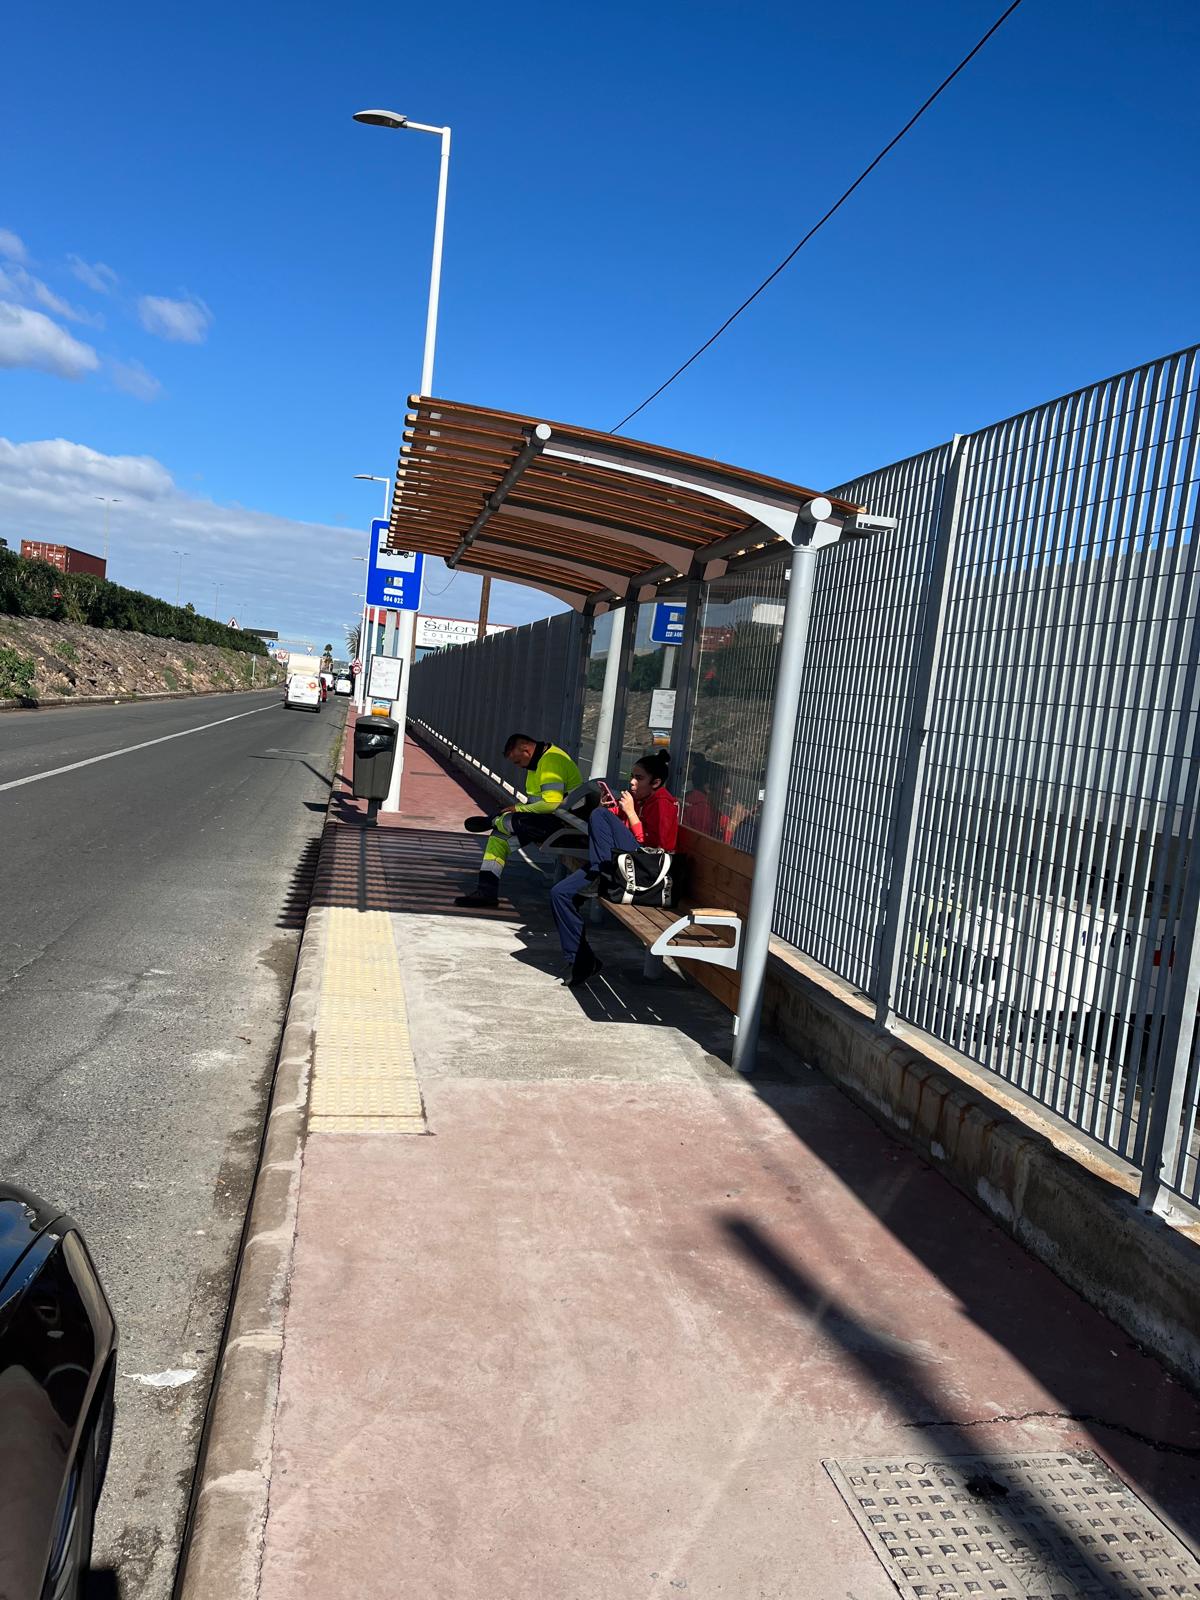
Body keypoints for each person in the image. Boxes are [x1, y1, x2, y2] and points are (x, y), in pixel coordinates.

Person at [550, 750, 678, 987]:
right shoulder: (639, 799)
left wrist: (629, 813)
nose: (632, 782)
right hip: (616, 866)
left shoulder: (663, 805)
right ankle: (581, 960)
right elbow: (614, 829)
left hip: (644, 872)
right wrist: (612, 808)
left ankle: (600, 873)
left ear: (656, 782)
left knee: (599, 815)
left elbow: (658, 849)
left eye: (639, 778)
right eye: (632, 776)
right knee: (559, 893)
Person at [454, 733, 582, 908]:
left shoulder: (551, 762)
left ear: (526, 750)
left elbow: (551, 804)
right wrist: (519, 809)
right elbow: (537, 803)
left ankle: (493, 820)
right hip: (548, 822)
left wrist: (518, 809)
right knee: (498, 838)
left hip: (563, 826)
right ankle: (486, 893)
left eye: (518, 761)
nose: (519, 766)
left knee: (516, 820)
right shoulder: (537, 762)